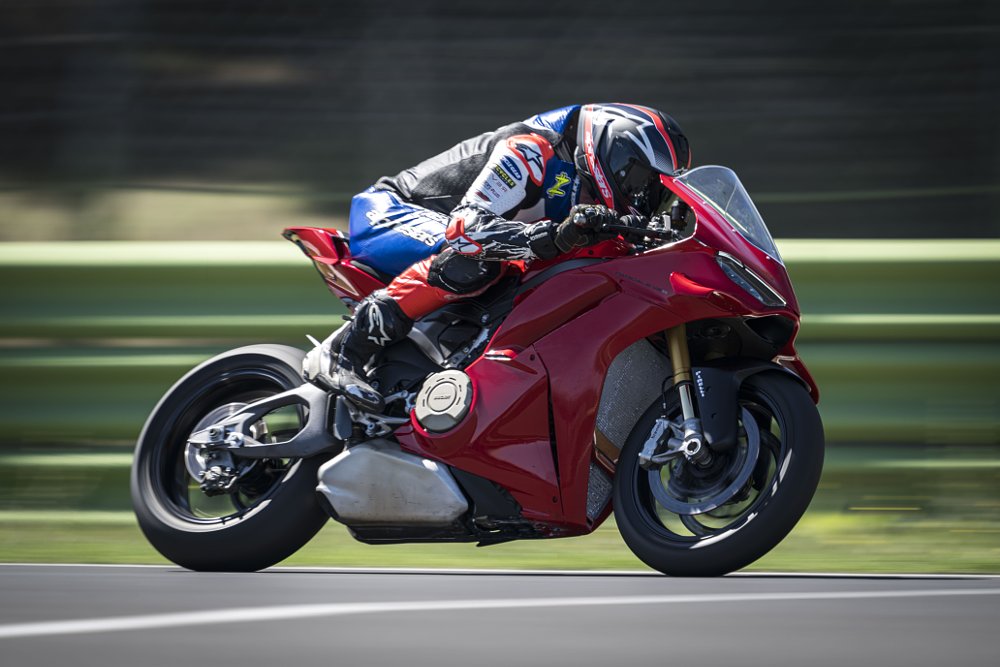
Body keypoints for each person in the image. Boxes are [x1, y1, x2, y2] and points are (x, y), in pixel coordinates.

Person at [302, 103, 691, 411]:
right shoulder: (530, 148)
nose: (645, 199)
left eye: (659, 192)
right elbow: (466, 230)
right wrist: (553, 236)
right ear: (611, 152)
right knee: (479, 257)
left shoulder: (593, 190)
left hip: (466, 236)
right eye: (642, 183)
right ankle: (345, 352)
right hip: (389, 213)